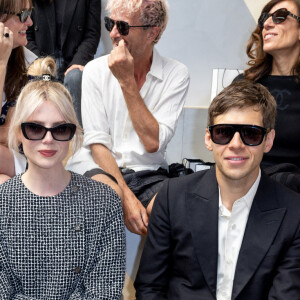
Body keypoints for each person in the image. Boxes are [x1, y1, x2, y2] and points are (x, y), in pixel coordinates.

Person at [134, 80, 300, 299]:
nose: (236, 144)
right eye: (223, 132)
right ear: (208, 138)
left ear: (268, 140)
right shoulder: (171, 197)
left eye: (251, 134)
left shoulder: (294, 213)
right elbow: (150, 288)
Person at [0, 56, 126, 299]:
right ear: (19, 133)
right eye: (35, 128)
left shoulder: (104, 203)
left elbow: (105, 292)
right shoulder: (4, 202)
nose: (48, 140)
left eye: (60, 129)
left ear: (72, 134)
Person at [66, 0, 190, 235]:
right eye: (109, 23)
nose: (113, 33)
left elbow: (153, 143)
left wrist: (126, 81)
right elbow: (98, 144)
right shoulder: (94, 70)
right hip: (97, 166)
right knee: (106, 197)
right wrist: (125, 198)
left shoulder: (176, 74)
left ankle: (152, 274)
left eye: (122, 27)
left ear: (152, 33)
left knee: (177, 208)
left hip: (147, 172)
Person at [234, 0, 300, 191]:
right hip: (246, 184)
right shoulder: (243, 85)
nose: (267, 24)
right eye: (265, 19)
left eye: (280, 17)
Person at [26, 0, 101, 125]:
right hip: (40, 61)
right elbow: (26, 35)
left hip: (73, 62)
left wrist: (78, 62)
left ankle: (76, 137)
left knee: (75, 78)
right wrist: (42, 64)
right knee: (37, 77)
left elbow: (92, 34)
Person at [0, 0, 36, 183]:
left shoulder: (34, 66)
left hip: (24, 162)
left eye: (30, 13)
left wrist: (1, 63)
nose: (29, 22)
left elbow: (13, 136)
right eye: (22, 15)